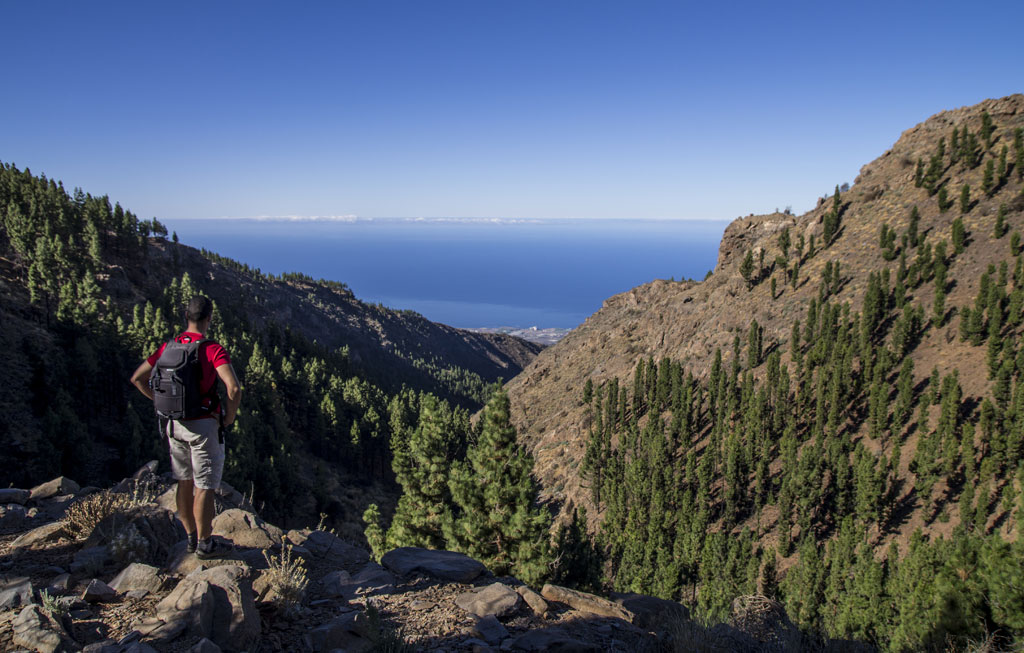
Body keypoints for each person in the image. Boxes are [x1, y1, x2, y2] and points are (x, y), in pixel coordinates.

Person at [130, 296, 242, 559]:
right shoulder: (211, 349)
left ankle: (190, 538)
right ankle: (205, 544)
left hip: (174, 424)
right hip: (203, 426)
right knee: (204, 486)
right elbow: (234, 388)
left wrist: (160, 402)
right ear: (209, 318)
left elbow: (137, 378)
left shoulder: (168, 346)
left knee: (184, 481)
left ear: (186, 316)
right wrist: (228, 417)